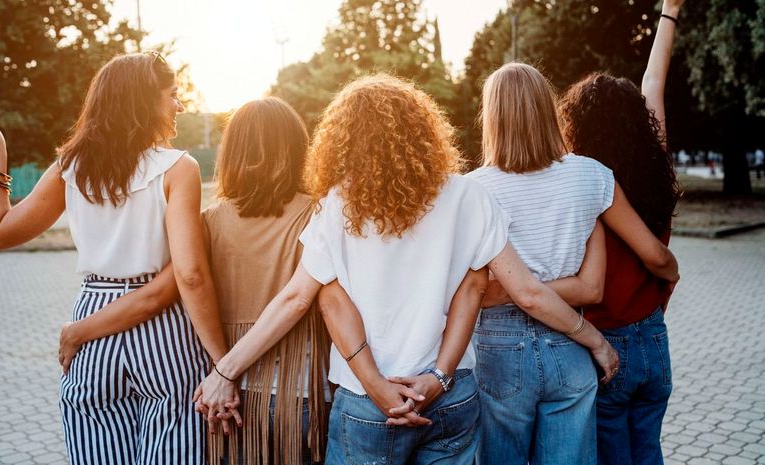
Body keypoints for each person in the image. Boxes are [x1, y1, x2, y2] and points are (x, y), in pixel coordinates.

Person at [193, 74, 619, 465]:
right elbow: (521, 291)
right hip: (450, 395)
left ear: (343, 139)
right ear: (423, 128)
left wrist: (226, 369)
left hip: (366, 401)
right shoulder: (469, 196)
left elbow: (300, 299)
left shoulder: (336, 205)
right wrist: (593, 341)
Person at [0, 52, 227, 465]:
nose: (179, 105)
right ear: (143, 101)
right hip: (165, 330)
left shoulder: (70, 167)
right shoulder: (178, 168)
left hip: (93, 323)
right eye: (171, 95)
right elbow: (189, 276)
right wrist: (224, 363)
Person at [57, 96, 332, 465]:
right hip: (301, 395)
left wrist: (80, 330)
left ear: (231, 153)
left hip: (225, 396)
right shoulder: (319, 215)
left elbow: (173, 287)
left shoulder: (208, 223)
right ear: (298, 150)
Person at [469, 62, 680, 465]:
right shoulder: (592, 177)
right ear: (546, 108)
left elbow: (475, 292)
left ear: (491, 116)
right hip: (571, 346)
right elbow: (591, 288)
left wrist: (509, 292)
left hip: (499, 351)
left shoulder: (472, 190)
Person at [559, 0, 685, 462]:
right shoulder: (655, 168)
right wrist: (670, 12)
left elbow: (653, 258)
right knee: (648, 451)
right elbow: (653, 83)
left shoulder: (588, 183)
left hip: (606, 342)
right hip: (654, 337)